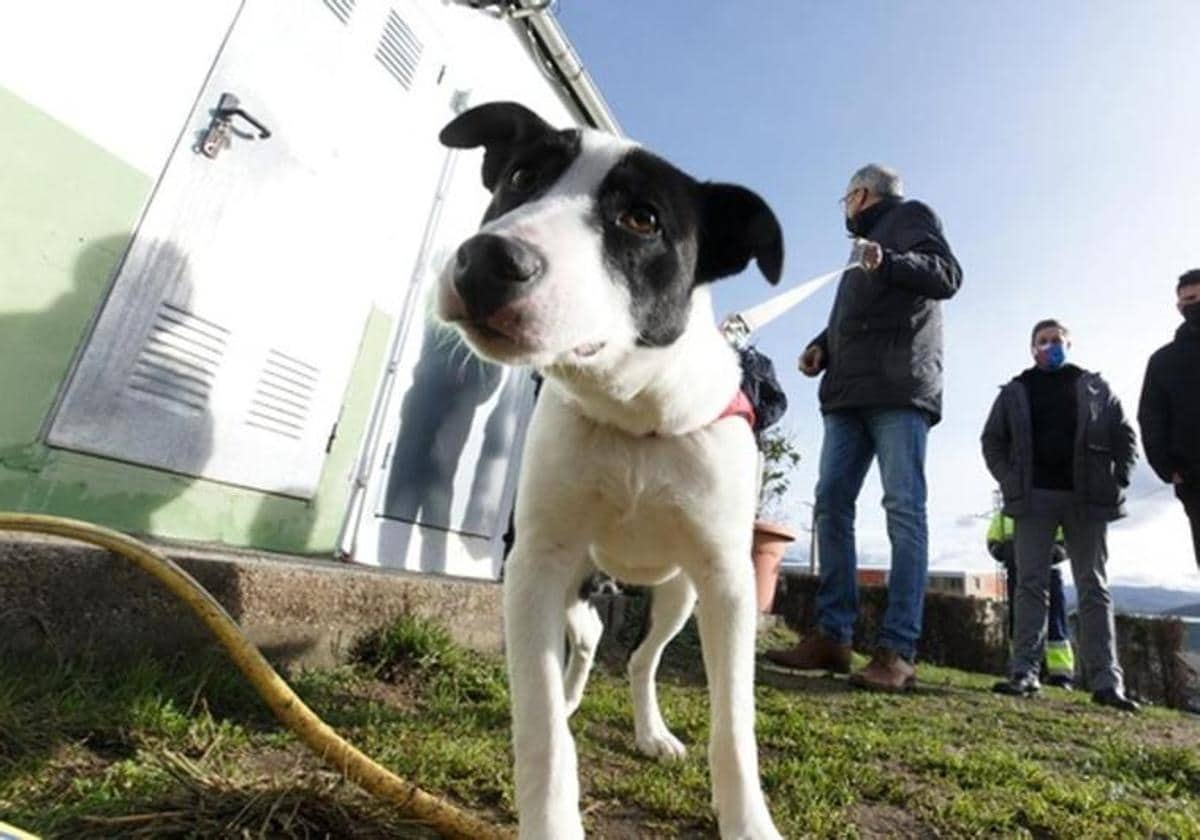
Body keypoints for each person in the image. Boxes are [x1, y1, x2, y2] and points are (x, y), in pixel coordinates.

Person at [764, 164, 962, 691]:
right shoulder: (864, 247)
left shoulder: (909, 217)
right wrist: (821, 347)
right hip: (848, 395)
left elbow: (946, 275)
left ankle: (898, 650)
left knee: (902, 509)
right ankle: (833, 637)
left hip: (898, 390)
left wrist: (890, 259)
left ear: (860, 193)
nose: (845, 210)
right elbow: (852, 313)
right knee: (830, 503)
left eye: (845, 199)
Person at [981, 319, 1140, 711]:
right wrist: (1009, 478)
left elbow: (1125, 434)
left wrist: (1119, 475)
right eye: (1043, 341)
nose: (1051, 346)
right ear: (1032, 348)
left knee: (1093, 586)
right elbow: (992, 440)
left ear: (1070, 344)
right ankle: (1024, 673)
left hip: (1086, 500)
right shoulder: (1016, 391)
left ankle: (1106, 684)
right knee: (1030, 584)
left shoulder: (1094, 387)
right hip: (1033, 500)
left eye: (1057, 340)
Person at [1137, 268, 1200, 571]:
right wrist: (1167, 468)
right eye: (1189, 299)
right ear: (1179, 307)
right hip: (1195, 479)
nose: (1195, 304)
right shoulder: (1163, 361)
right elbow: (1150, 417)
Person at [986, 510, 1075, 689]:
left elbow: (1068, 539)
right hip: (1017, 573)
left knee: (1054, 623)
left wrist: (1056, 551)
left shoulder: (1049, 507)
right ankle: (1021, 670)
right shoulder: (1004, 514)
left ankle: (1061, 675)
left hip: (1049, 572)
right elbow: (992, 541)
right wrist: (1002, 550)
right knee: (1018, 622)